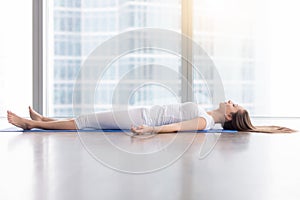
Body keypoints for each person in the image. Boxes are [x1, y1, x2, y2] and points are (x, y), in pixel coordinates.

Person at [7, 100, 295, 134]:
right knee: (90, 116)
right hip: (142, 110)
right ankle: (44, 118)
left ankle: (30, 123)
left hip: (142, 116)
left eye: (234, 104)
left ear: (231, 114)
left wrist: (150, 131)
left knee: (87, 122)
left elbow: (177, 127)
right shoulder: (208, 113)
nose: (230, 100)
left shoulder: (206, 122)